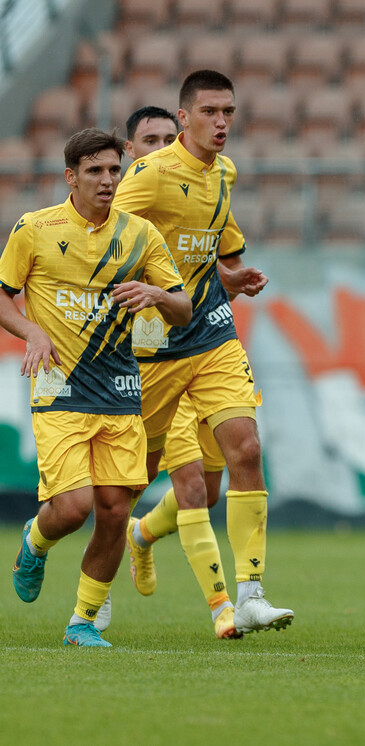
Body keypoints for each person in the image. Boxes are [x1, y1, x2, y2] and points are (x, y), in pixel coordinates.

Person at [112, 70, 292, 638]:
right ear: (184, 116)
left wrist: (228, 276)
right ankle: (104, 578)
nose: (221, 123)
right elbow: (107, 236)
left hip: (211, 332)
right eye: (210, 112)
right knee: (130, 481)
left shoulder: (225, 172)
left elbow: (203, 245)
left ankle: (250, 596)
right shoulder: (149, 175)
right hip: (152, 344)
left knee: (245, 448)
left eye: (229, 112)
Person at [2, 128, 191, 647]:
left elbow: (183, 310)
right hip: (59, 390)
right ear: (71, 176)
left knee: (114, 511)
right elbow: (3, 296)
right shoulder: (35, 228)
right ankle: (35, 542)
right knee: (73, 508)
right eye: (95, 171)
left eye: (114, 170)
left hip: (121, 392)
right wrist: (32, 330)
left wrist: (156, 292)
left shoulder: (140, 235)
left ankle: (82, 621)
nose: (108, 180)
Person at [122, 104, 232, 629]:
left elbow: (211, 260)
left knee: (205, 490)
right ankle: (90, 593)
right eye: (150, 140)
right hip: (140, 365)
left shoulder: (204, 185)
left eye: (170, 138)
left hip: (197, 351)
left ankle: (143, 536)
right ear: (129, 153)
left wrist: (232, 280)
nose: (162, 148)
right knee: (129, 488)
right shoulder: (122, 215)